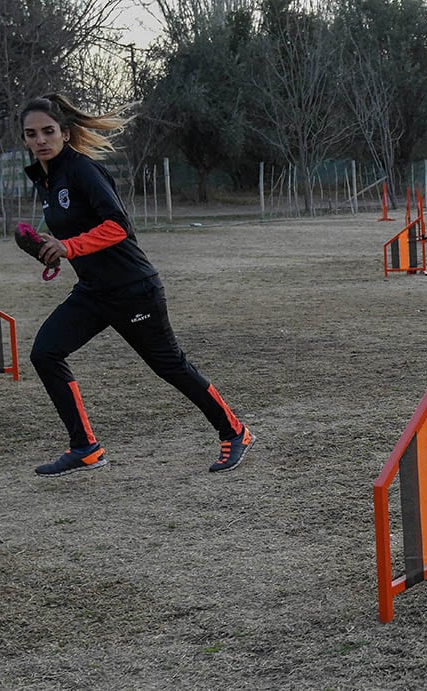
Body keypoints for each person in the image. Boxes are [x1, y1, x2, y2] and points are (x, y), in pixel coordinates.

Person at [20, 94, 254, 477]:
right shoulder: (46, 180)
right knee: (45, 353)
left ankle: (236, 432)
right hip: (94, 291)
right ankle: (84, 448)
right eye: (32, 134)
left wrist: (70, 246)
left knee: (170, 366)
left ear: (65, 133)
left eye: (48, 131)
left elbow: (118, 226)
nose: (41, 140)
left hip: (133, 289)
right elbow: (76, 231)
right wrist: (52, 248)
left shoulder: (83, 170)